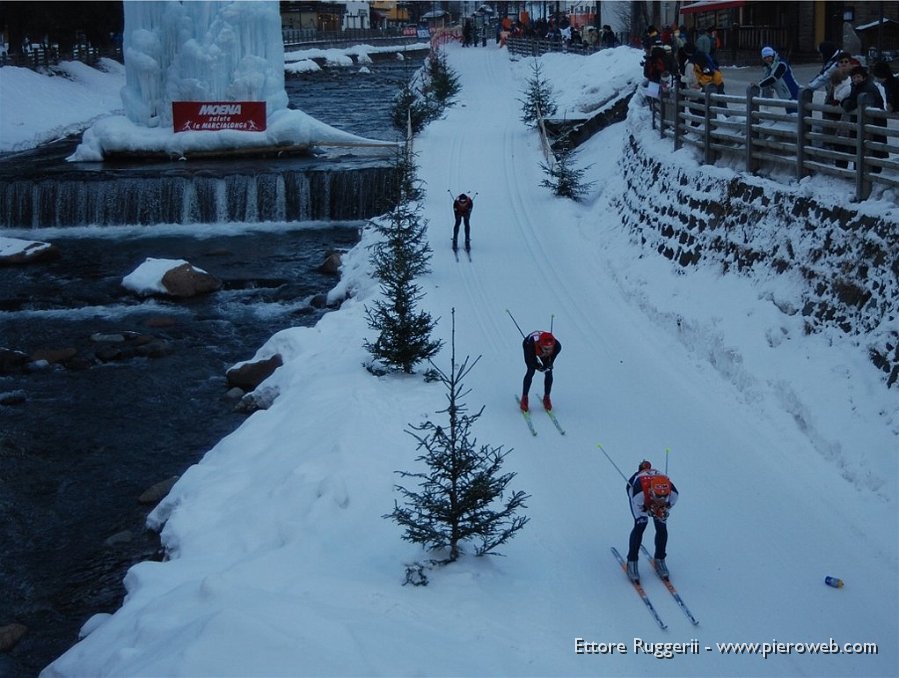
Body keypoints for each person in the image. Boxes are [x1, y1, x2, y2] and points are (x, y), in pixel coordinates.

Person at [625, 460, 679, 583]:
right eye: (658, 497)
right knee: (641, 525)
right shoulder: (638, 494)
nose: (661, 499)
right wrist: (649, 510)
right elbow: (638, 507)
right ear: (651, 491)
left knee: (661, 527)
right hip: (639, 495)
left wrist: (660, 511)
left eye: (663, 497)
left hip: (650, 493)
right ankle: (632, 561)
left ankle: (660, 558)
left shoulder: (673, 494)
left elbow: (667, 506)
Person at [841, 65, 887, 173]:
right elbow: (850, 100)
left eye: (858, 77)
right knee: (863, 150)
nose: (856, 79)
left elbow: (853, 103)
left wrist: (846, 103)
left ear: (864, 77)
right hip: (864, 125)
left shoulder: (867, 88)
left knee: (869, 151)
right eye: (854, 77)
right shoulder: (857, 87)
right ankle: (863, 174)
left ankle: (869, 176)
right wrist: (845, 102)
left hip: (872, 125)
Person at [520, 330, 561, 412]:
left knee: (549, 371)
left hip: (540, 350)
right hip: (530, 348)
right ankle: (524, 397)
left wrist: (547, 366)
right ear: (540, 344)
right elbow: (531, 361)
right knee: (531, 370)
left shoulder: (557, 347)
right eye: (546, 349)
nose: (548, 351)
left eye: (550, 348)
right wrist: (538, 366)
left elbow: (551, 360)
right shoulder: (530, 345)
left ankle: (547, 397)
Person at [756, 46, 799, 114]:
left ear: (773, 55)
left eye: (769, 56)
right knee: (790, 112)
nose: (767, 59)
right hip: (785, 94)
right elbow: (766, 78)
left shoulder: (781, 64)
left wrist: (759, 85)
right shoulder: (769, 67)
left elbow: (773, 78)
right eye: (765, 58)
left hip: (792, 91)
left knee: (795, 113)